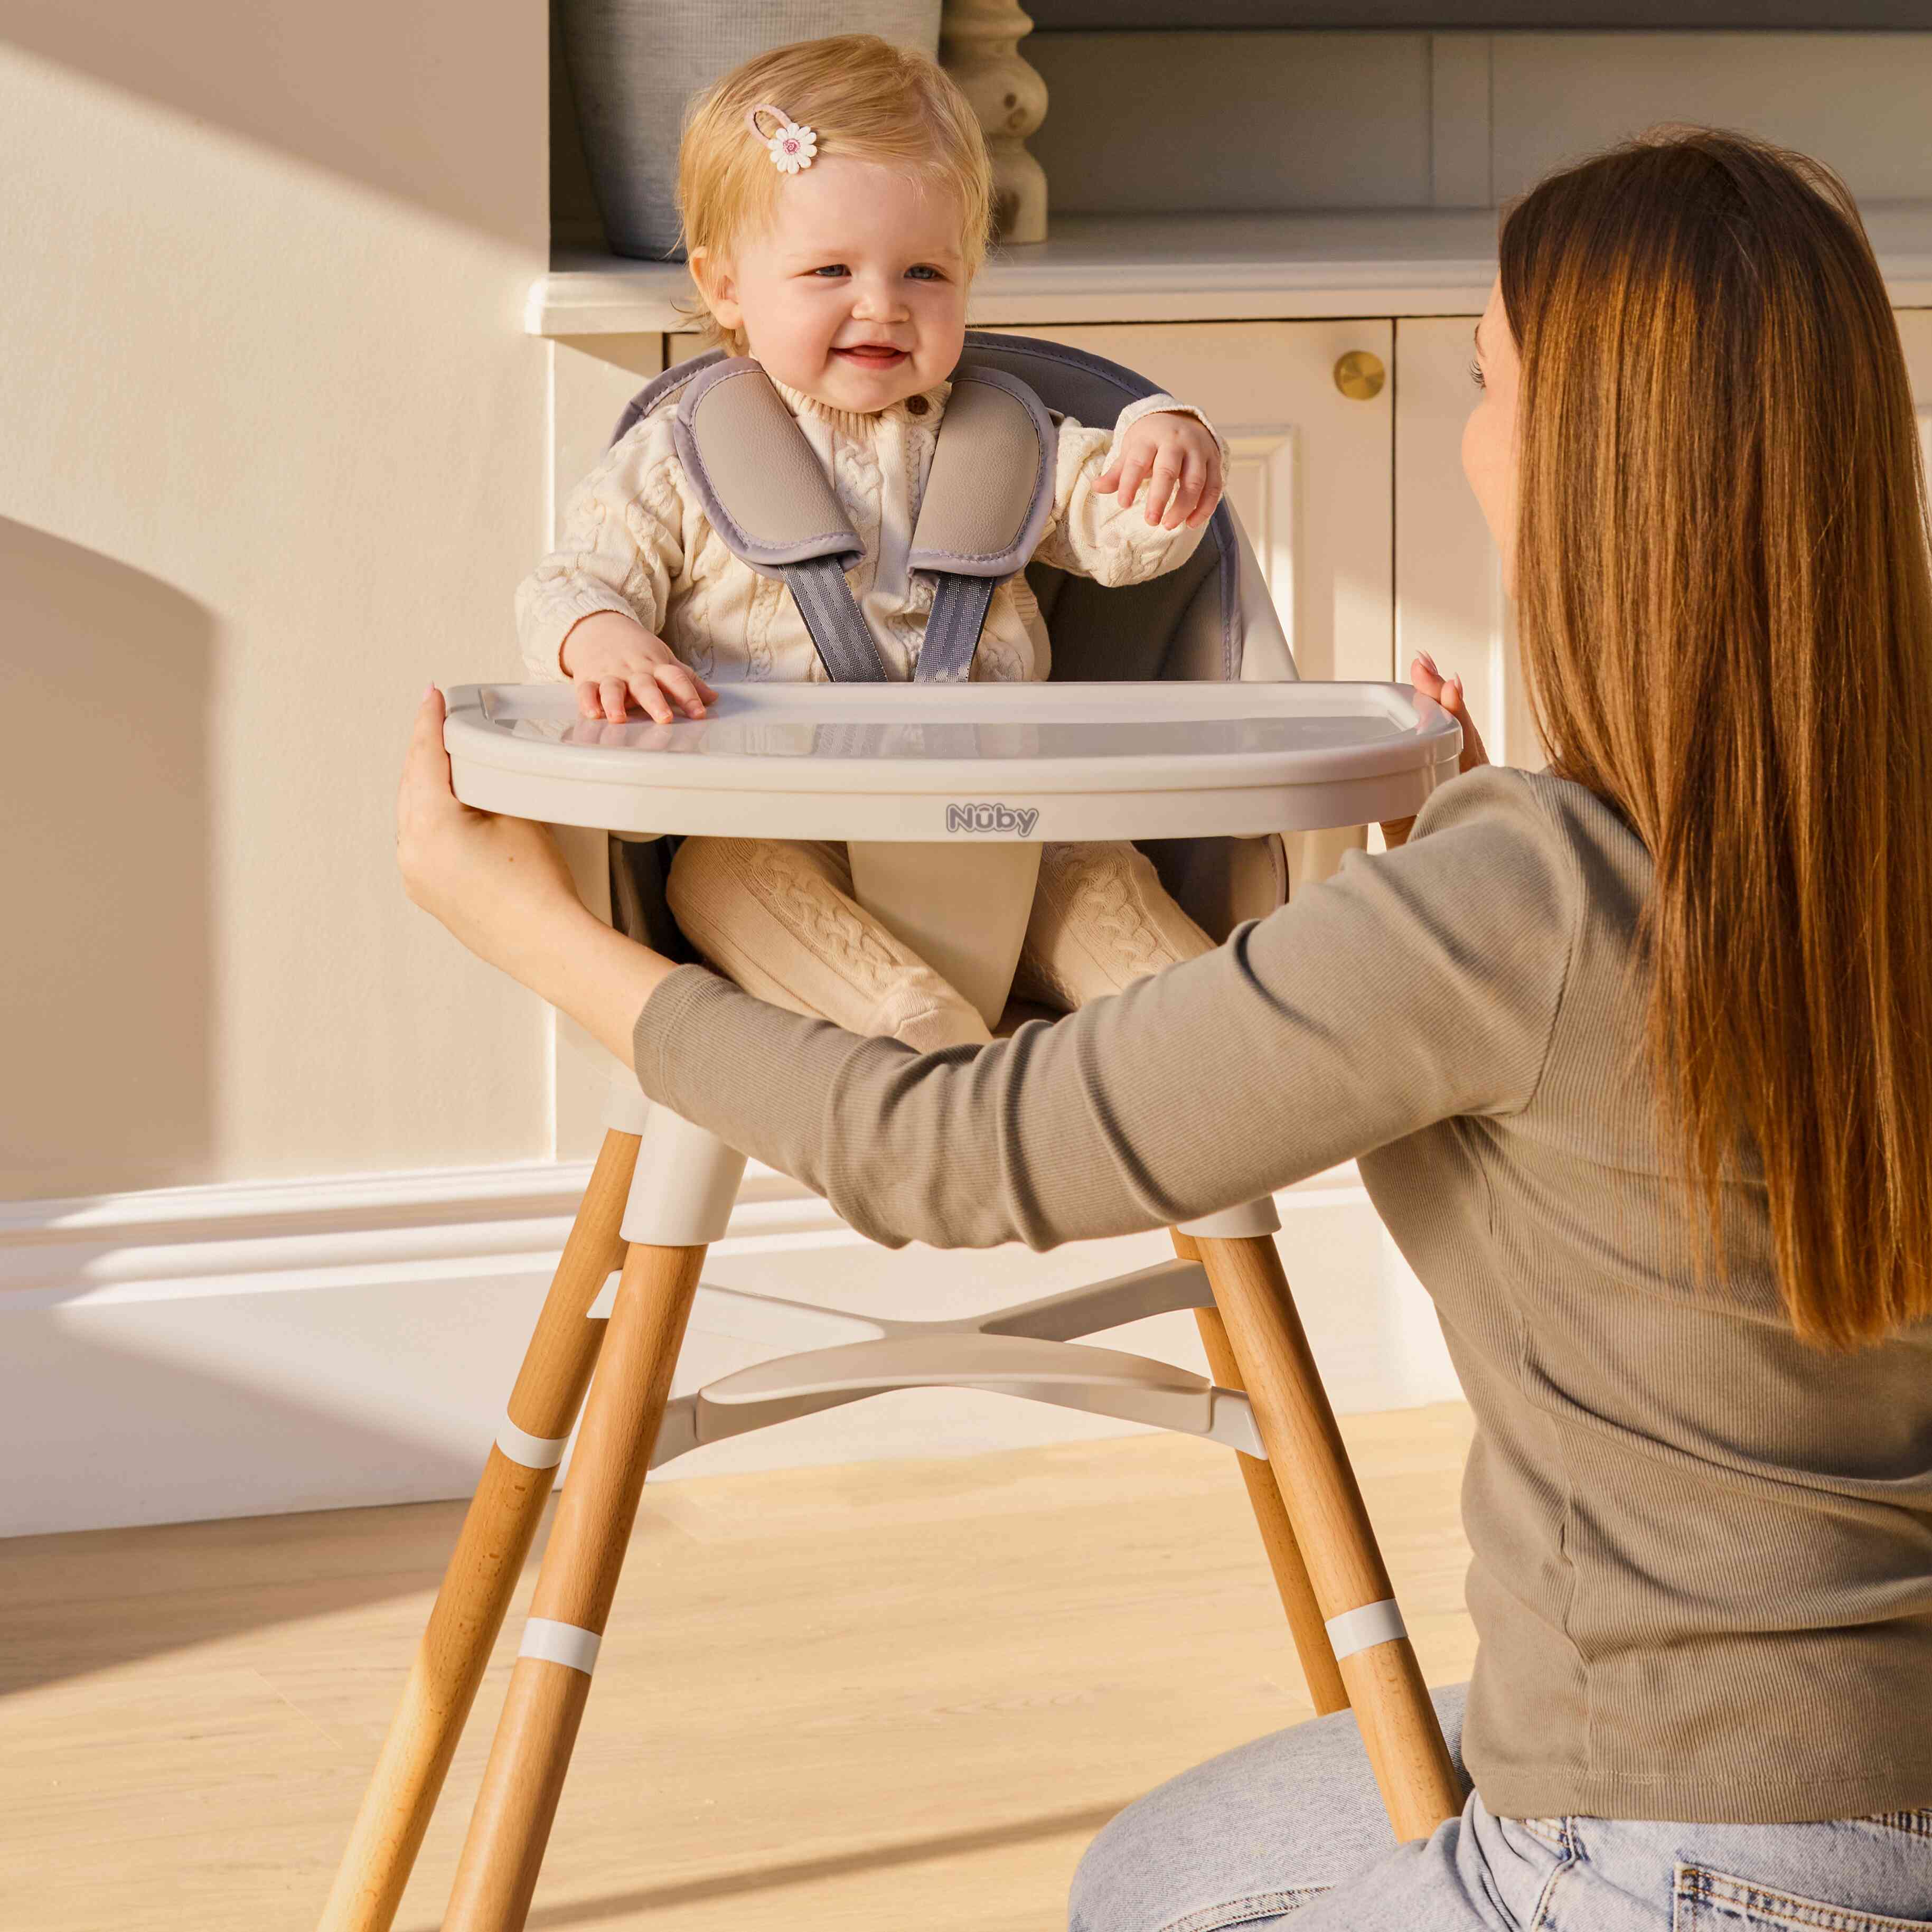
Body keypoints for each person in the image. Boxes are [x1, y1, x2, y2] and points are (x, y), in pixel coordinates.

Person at [397, 129, 1932, 1929]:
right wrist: (1421, 882)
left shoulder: (1517, 898)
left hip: (1676, 1848)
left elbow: (955, 1151)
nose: (1467, 442)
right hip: (1849, 1761)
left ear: (1593, 470)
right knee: (1164, 1860)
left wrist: (540, 928)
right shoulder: (1762, 853)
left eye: (1481, 386)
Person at [520, 33, 1227, 1052]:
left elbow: (1123, 534)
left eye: (925, 271)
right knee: (717, 876)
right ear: (726, 288)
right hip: (773, 817)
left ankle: (1210, 1035)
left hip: (1002, 823)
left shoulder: (1002, 435)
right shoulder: (678, 457)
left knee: (1102, 876)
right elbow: (571, 576)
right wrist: (602, 637)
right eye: (828, 269)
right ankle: (919, 1034)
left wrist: (1168, 445)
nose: (882, 305)